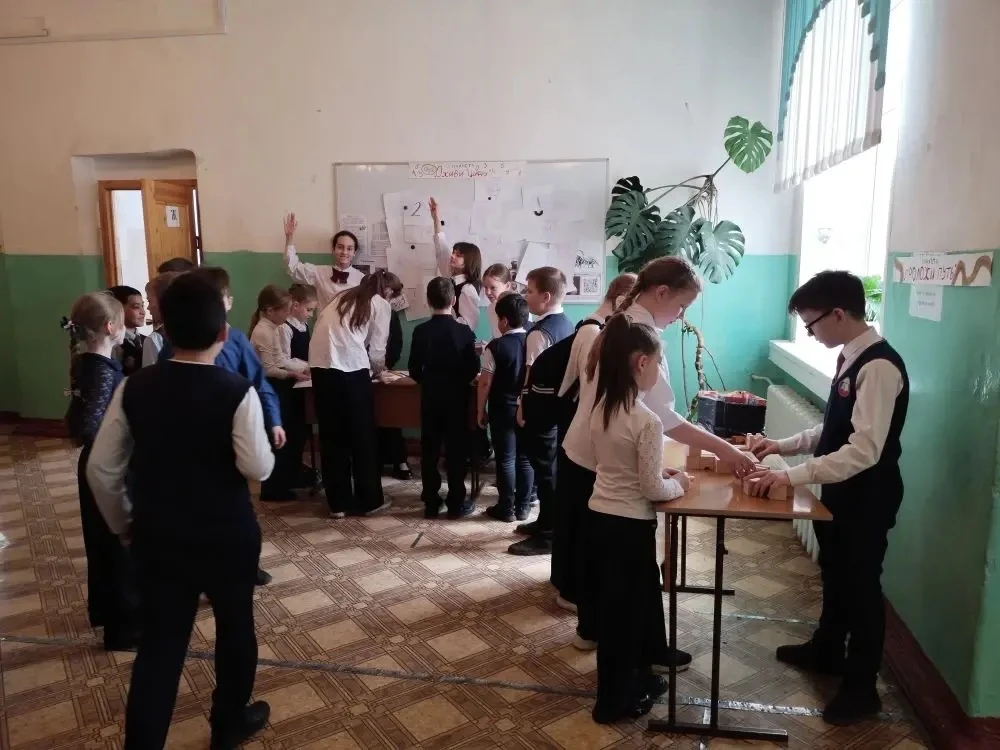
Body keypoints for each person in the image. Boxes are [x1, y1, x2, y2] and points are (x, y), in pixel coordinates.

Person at [87, 273, 275, 750]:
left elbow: (101, 470)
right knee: (235, 627)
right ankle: (229, 722)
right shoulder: (237, 391)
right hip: (226, 534)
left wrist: (124, 523)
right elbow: (258, 467)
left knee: (161, 646)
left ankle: (143, 743)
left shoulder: (134, 388)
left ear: (165, 329)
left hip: (159, 532)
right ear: (223, 333)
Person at [566, 257, 757, 660]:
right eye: (681, 305)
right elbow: (663, 418)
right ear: (662, 292)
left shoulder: (622, 325)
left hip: (589, 459)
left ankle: (603, 637)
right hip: (600, 468)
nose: (682, 316)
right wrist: (725, 449)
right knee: (630, 573)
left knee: (603, 565)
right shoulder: (642, 338)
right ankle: (642, 651)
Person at [747, 270, 909, 726]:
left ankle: (861, 689)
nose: (810, 333)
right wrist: (783, 446)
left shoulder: (879, 367)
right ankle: (827, 650)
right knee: (835, 574)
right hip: (840, 492)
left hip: (868, 497)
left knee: (862, 589)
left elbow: (864, 450)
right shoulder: (850, 357)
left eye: (811, 323)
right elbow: (835, 427)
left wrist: (791, 476)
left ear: (839, 313)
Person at [585, 314, 689, 724]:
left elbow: (616, 465)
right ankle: (615, 703)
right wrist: (679, 482)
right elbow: (651, 489)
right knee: (626, 619)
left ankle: (639, 680)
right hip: (630, 527)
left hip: (601, 519)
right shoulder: (647, 420)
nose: (659, 371)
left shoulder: (602, 408)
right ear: (641, 363)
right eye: (658, 363)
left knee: (621, 609)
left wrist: (658, 474)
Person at [157, 267, 284, 587]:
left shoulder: (236, 339)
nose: (228, 303)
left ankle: (244, 565)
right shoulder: (174, 343)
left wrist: (274, 420)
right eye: (223, 298)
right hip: (187, 440)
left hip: (231, 435)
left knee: (235, 508)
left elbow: (259, 383)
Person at [551, 272, 637, 610]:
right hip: (583, 441)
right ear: (621, 300)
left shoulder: (595, 329)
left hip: (582, 438)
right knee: (577, 521)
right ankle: (570, 589)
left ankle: (569, 584)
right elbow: (589, 392)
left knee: (575, 519)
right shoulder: (592, 332)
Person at [64, 292, 137, 650]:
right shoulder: (103, 371)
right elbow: (90, 426)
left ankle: (109, 613)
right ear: (111, 327)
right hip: (107, 466)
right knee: (116, 544)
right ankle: (123, 628)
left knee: (104, 542)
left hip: (98, 463)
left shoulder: (87, 364)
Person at [310, 268, 402, 518]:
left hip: (320, 366)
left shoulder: (343, 296)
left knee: (331, 435)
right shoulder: (380, 303)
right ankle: (369, 501)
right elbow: (377, 351)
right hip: (351, 369)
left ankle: (337, 504)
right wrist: (380, 371)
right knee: (362, 435)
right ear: (387, 291)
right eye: (393, 295)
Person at [507, 266, 574, 556]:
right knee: (548, 471)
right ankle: (545, 522)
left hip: (541, 409)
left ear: (546, 297)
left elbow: (529, 375)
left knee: (546, 474)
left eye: (530, 290)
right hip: (559, 410)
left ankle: (548, 535)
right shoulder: (567, 324)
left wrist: (521, 407)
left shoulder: (538, 333)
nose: (525, 295)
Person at [409, 278, 481, 519]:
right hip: (457, 399)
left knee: (429, 450)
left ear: (428, 301)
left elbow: (414, 369)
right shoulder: (463, 331)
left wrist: (428, 381)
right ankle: (456, 502)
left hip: (430, 398)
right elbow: (472, 368)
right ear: (454, 300)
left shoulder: (421, 331)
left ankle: (431, 502)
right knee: (456, 450)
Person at [249, 285, 310, 501]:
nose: (287, 314)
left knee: (292, 432)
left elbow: (281, 358)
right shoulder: (263, 331)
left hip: (278, 386)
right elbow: (269, 369)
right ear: (269, 310)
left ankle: (288, 478)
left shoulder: (274, 328)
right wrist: (294, 375)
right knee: (276, 438)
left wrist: (304, 367)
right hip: (270, 388)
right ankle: (273, 488)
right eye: (284, 310)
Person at [477, 293, 533, 522]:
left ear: (504, 321)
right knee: (525, 459)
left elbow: (485, 382)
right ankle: (523, 507)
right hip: (527, 408)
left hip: (503, 410)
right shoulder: (533, 341)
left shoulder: (495, 346)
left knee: (506, 459)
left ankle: (506, 509)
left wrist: (480, 410)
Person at [280, 283, 320, 489]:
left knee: (302, 430)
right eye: (309, 309)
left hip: (303, 384)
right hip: (289, 385)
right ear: (295, 305)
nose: (311, 315)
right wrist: (306, 367)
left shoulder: (303, 326)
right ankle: (289, 473)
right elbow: (283, 359)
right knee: (293, 430)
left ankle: (298, 468)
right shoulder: (285, 328)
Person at [282, 213, 364, 311]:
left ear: (354, 253)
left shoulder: (362, 279)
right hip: (324, 321)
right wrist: (289, 238)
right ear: (333, 249)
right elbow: (293, 268)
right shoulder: (320, 272)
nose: (344, 252)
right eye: (340, 247)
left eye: (349, 249)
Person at [429, 197, 482, 331]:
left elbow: (469, 324)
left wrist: (444, 325)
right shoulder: (452, 279)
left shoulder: (467, 288)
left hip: (457, 339)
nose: (452, 256)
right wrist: (436, 218)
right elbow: (441, 248)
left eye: (458, 255)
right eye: (453, 252)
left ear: (469, 261)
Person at [378, 292, 413, 480]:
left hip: (384, 369)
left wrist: (385, 364)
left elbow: (397, 343)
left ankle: (399, 460)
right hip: (361, 369)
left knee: (391, 416)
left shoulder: (390, 313)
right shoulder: (361, 311)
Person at [143, 272, 181, 368]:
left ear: (163, 301)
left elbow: (150, 376)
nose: (148, 307)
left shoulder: (154, 339)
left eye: (149, 301)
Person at [108, 285, 146, 376]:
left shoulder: (147, 340)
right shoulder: (111, 343)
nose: (143, 312)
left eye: (142, 306)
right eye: (136, 307)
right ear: (118, 309)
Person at [482, 263, 516, 340]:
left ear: (507, 286)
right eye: (485, 287)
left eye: (493, 287)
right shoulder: (491, 308)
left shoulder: (519, 309)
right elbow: (497, 336)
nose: (488, 292)